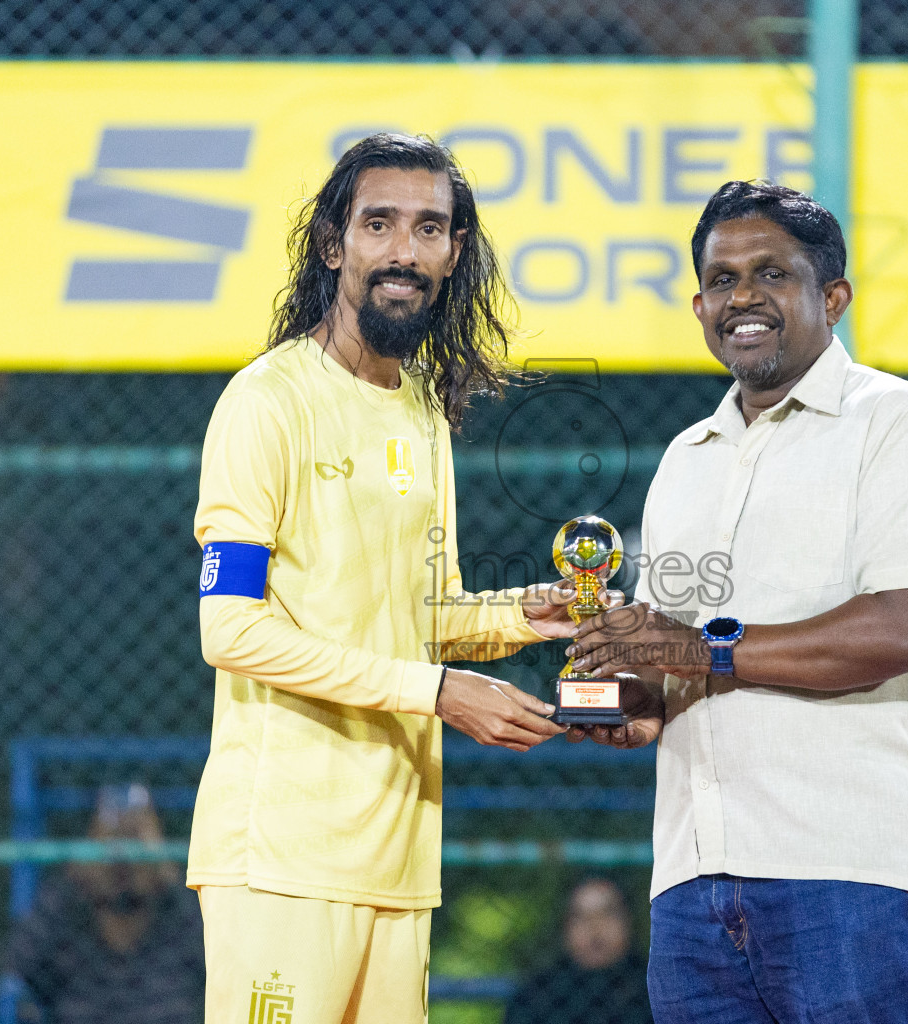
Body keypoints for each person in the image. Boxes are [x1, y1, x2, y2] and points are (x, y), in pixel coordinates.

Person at [565, 180, 908, 1024]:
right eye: (721, 280)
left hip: (849, 873)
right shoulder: (688, 458)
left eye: (770, 274)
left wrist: (695, 649)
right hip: (691, 884)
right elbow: (671, 661)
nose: (742, 297)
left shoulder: (900, 423)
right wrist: (620, 697)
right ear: (698, 305)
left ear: (833, 297)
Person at [191, 132, 576, 1024]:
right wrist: (437, 691)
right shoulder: (266, 402)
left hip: (400, 860)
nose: (406, 250)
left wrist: (528, 615)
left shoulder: (420, 407)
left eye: (431, 229)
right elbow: (232, 632)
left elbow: (415, 615)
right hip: (284, 856)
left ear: (453, 254)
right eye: (380, 223)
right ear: (335, 244)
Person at [3, 784, 203, 1024]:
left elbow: (216, 953)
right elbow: (16, 959)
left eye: (136, 853)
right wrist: (86, 859)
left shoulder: (176, 933)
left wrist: (158, 855)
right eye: (112, 855)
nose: (123, 868)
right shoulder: (70, 935)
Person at [504, 878, 652, 1024]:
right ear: (565, 926)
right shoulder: (537, 996)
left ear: (628, 921)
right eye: (580, 916)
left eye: (608, 913)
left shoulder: (653, 989)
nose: (595, 927)